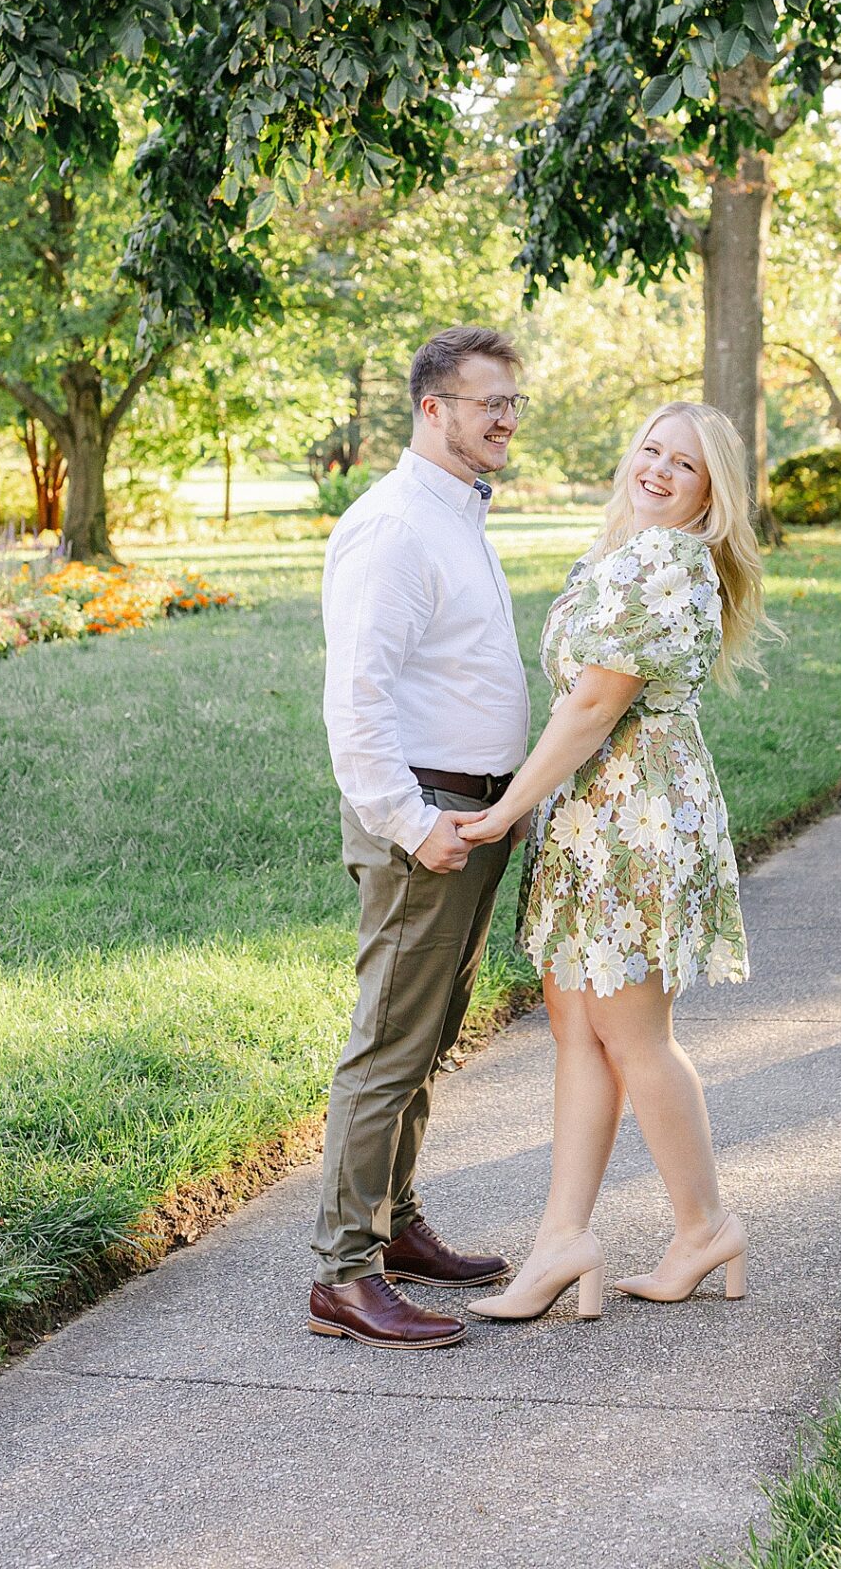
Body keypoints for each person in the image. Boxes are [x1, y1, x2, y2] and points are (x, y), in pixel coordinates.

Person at [456, 402, 764, 1322]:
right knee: (577, 1026)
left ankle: (704, 1226)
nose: (660, 471)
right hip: (593, 813)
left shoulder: (664, 561)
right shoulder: (623, 555)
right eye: (651, 450)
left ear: (712, 495)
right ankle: (564, 1242)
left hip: (634, 819)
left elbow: (593, 705)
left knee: (631, 1032)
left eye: (686, 466)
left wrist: (508, 805)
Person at [307, 324, 531, 1350]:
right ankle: (345, 1276)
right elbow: (355, 700)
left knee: (432, 1035)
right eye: (490, 401)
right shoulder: (394, 523)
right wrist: (409, 824)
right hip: (426, 818)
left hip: (475, 811)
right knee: (389, 1046)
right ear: (434, 408)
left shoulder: (455, 513)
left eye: (513, 402)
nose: (506, 418)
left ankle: (395, 1229)